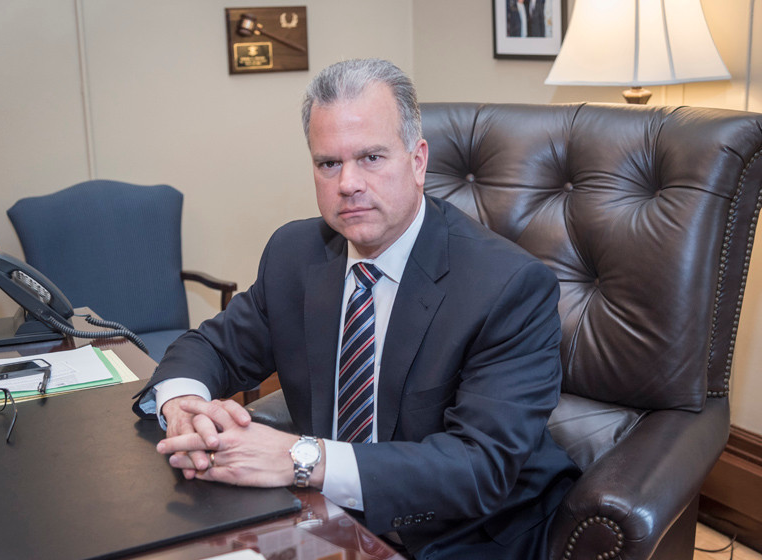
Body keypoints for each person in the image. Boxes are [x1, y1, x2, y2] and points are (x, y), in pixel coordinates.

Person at [133, 58, 579, 559]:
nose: (347, 184)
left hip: (457, 533)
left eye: (371, 157)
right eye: (328, 163)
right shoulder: (294, 253)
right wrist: (181, 406)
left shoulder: (508, 287)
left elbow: (480, 468)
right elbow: (210, 346)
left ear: (418, 161)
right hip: (322, 517)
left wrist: (301, 458)